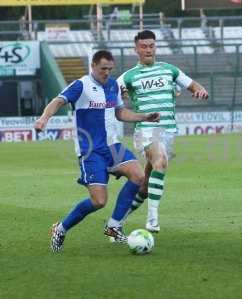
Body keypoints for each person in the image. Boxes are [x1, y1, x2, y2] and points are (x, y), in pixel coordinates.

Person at [34, 50, 160, 252]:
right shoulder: (81, 85)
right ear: (93, 66)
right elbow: (58, 101)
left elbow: (119, 112)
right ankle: (61, 228)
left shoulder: (112, 86)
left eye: (110, 69)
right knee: (99, 201)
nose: (107, 73)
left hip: (113, 146)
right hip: (90, 151)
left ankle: (113, 226)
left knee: (138, 177)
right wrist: (43, 118)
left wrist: (143, 117)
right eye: (103, 69)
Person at [117, 30, 208, 233]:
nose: (148, 49)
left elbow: (192, 85)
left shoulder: (169, 70)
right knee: (161, 161)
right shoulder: (128, 77)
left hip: (168, 132)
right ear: (136, 49)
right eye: (144, 46)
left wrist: (200, 91)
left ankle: (116, 223)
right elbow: (111, 99)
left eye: (151, 45)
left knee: (145, 186)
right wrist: (119, 96)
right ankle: (152, 219)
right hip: (147, 130)